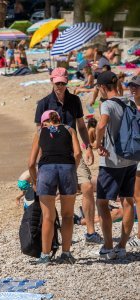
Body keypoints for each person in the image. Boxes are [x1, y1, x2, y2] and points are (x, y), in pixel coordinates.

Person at [34, 67, 102, 244]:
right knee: (50, 196)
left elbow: (81, 125)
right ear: (51, 81)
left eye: (63, 83)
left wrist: (87, 147)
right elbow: (38, 134)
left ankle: (90, 232)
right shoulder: (43, 103)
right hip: (50, 157)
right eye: (57, 83)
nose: (61, 86)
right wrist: (37, 163)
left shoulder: (74, 100)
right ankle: (55, 236)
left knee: (86, 186)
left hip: (73, 154)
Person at [29, 110, 82, 264]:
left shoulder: (40, 132)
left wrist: (34, 181)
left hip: (46, 170)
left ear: (45, 122)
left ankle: (45, 256)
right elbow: (78, 153)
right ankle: (66, 253)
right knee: (67, 215)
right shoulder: (69, 130)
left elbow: (31, 163)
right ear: (59, 119)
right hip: (67, 168)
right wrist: (73, 168)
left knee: (48, 217)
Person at [95, 71, 138, 259]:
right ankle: (122, 246)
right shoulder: (128, 101)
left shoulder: (107, 104)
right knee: (128, 201)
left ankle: (108, 247)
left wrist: (98, 143)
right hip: (131, 158)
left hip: (112, 161)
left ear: (103, 88)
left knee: (102, 202)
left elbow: (102, 124)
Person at [127, 76, 140, 247]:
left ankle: (138, 235)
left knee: (137, 195)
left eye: (137, 86)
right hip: (132, 153)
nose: (133, 88)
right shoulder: (128, 105)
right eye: (131, 86)